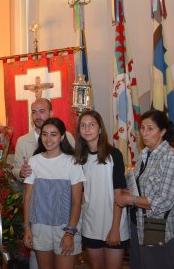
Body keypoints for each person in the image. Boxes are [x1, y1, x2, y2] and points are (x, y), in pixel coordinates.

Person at [114, 109, 174, 269]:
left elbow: (164, 201)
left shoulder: (171, 158)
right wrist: (130, 192)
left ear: (163, 131)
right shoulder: (144, 154)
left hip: (158, 225)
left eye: (150, 128)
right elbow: (143, 187)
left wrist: (130, 199)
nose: (144, 133)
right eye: (142, 128)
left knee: (156, 264)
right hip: (139, 222)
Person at [22, 117, 85, 269]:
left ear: (62, 136)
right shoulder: (34, 161)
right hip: (40, 226)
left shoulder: (72, 162)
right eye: (44, 134)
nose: (48, 139)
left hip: (65, 228)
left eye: (53, 134)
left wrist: (70, 233)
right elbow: (28, 197)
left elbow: (77, 201)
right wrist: (27, 227)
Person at [74, 110, 128, 269]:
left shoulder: (114, 155)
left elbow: (119, 194)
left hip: (113, 223)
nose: (87, 129)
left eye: (91, 125)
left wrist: (115, 229)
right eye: (83, 125)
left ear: (100, 129)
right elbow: (81, 195)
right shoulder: (79, 158)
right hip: (91, 225)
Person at [13, 98, 75, 181]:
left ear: (51, 113)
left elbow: (75, 164)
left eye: (42, 111)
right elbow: (15, 169)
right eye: (34, 112)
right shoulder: (22, 141)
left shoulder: (67, 136)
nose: (37, 116)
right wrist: (21, 172)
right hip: (32, 191)